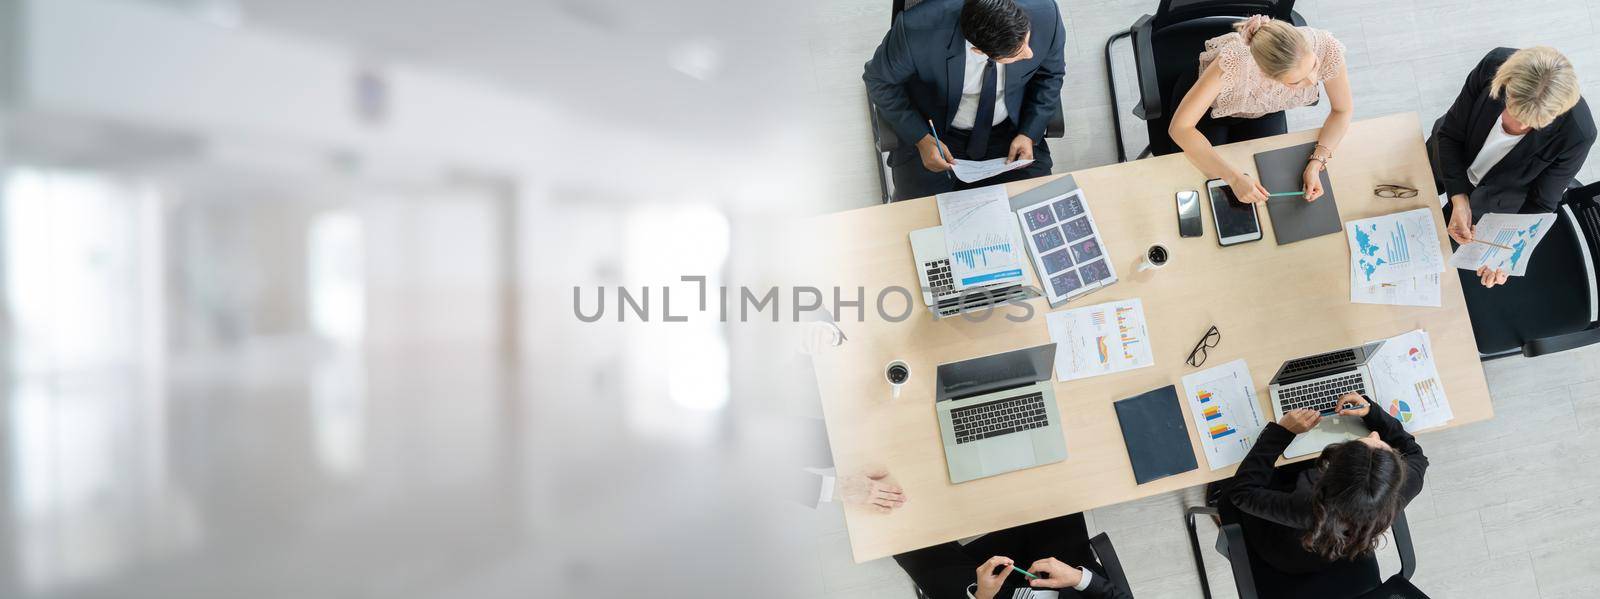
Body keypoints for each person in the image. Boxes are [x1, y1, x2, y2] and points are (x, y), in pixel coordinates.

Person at [863, 0, 1066, 201]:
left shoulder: (1045, 13)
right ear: (979, 51)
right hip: (935, 133)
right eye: (1017, 54)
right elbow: (879, 81)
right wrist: (921, 138)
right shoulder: (916, 31)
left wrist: (1029, 133)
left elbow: (1050, 75)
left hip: (1011, 132)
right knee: (921, 220)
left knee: (1035, 208)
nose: (1029, 53)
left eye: (1027, 41)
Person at [1427, 46, 1595, 288]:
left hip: (1491, 200)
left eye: (1529, 123)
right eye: (1511, 108)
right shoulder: (1494, 65)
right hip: (1448, 155)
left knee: (1434, 258)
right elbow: (1450, 133)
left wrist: (1506, 255)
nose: (1511, 124)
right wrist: (1458, 197)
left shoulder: (1577, 134)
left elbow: (1541, 203)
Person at [1221, 393, 1428, 577]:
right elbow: (1416, 454)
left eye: (1364, 441)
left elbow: (1241, 493)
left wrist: (1282, 432)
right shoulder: (1399, 489)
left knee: (1236, 481)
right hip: (1337, 550)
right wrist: (1372, 413)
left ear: (1331, 468)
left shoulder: (1306, 507)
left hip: (1285, 552)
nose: (1374, 434)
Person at [1167, 15, 1353, 205]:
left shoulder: (1326, 48)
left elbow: (1342, 110)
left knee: (1274, 179)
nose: (1313, 81)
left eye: (1314, 65)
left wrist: (1317, 162)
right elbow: (1180, 128)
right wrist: (1233, 177)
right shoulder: (1235, 61)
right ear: (1264, 74)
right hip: (1209, 111)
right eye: (1297, 81)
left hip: (1262, 110)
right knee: (1203, 186)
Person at [893, 513, 1132, 599]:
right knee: (1050, 489)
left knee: (906, 542)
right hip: (1066, 586)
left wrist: (982, 597)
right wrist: (1077, 578)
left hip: (994, 596)